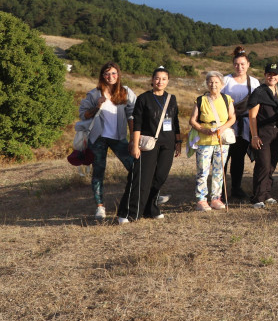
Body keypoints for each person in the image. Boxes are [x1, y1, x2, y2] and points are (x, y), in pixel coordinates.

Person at [116, 66, 180, 222]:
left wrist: (178, 142)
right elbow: (137, 124)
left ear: (168, 81)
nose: (160, 81)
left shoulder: (171, 98)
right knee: (141, 179)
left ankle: (150, 208)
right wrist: (135, 145)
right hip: (148, 144)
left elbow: (175, 122)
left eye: (164, 79)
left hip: (168, 144)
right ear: (152, 80)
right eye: (157, 78)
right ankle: (129, 213)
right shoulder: (144, 98)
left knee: (160, 177)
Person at [78, 62, 136, 220]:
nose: (111, 77)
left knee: (135, 166)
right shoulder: (94, 94)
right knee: (98, 172)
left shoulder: (126, 92)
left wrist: (133, 139)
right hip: (98, 139)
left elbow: (134, 114)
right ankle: (100, 207)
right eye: (107, 74)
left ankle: (144, 195)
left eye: (114, 73)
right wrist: (97, 107)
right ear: (102, 76)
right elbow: (83, 115)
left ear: (118, 74)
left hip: (119, 138)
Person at [189, 70, 236, 211]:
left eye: (216, 82)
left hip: (221, 140)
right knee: (203, 170)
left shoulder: (227, 99)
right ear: (206, 83)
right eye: (210, 82)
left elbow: (232, 118)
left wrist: (222, 129)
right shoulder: (201, 100)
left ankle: (216, 198)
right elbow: (192, 120)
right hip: (204, 140)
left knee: (219, 170)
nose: (213, 85)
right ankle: (201, 200)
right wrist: (203, 130)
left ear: (222, 84)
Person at [222, 47, 260, 201]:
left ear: (248, 64)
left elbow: (257, 104)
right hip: (226, 124)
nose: (240, 67)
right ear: (233, 64)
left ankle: (236, 188)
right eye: (237, 64)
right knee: (223, 157)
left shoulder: (254, 82)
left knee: (238, 158)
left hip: (244, 125)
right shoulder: (225, 80)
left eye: (243, 64)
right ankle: (219, 191)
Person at [246, 63, 278, 208]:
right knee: (263, 164)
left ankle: (267, 193)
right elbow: (252, 117)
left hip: (277, 133)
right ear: (265, 75)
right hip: (263, 133)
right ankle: (258, 197)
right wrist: (254, 136)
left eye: (275, 74)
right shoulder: (259, 92)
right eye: (269, 74)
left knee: (271, 165)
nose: (272, 77)